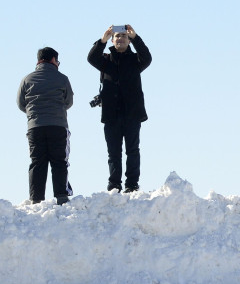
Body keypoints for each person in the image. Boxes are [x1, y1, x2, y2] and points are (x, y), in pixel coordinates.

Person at [87, 24, 152, 193]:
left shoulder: (135, 60)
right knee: (113, 153)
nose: (120, 39)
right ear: (113, 40)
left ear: (128, 41)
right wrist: (102, 40)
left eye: (124, 36)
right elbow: (91, 58)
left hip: (132, 113)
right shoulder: (106, 60)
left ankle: (132, 184)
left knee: (132, 150)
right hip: (111, 114)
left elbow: (147, 58)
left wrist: (136, 37)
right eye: (117, 36)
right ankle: (114, 184)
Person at [17, 47, 74, 205]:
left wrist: (34, 113)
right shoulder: (62, 78)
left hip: (35, 127)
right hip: (58, 125)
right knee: (59, 161)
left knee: (37, 162)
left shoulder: (27, 79)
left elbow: (21, 104)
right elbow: (69, 101)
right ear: (54, 60)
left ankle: (36, 199)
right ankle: (61, 197)